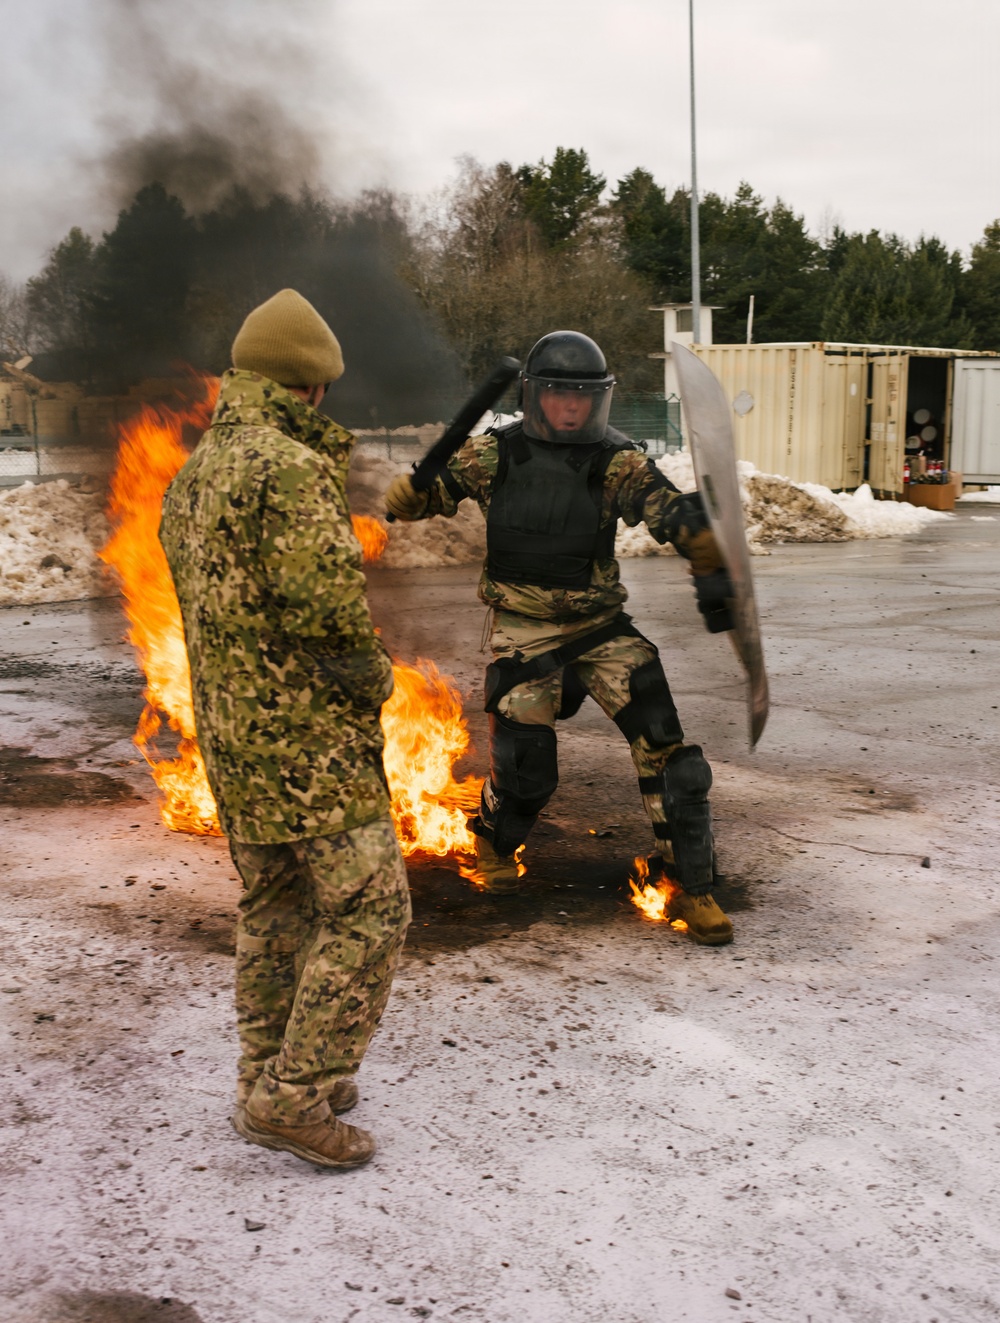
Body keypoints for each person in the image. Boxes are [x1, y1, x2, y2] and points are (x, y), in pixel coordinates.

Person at [160, 288, 410, 1169]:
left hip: (232, 742)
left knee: (274, 907)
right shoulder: (291, 469)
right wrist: (376, 679)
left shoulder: (194, 473)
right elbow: (329, 612)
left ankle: (264, 1074)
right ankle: (296, 1097)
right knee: (371, 908)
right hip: (309, 749)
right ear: (307, 386)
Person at [385, 329, 734, 945]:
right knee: (526, 771)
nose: (572, 407)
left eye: (583, 396)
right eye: (560, 395)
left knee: (670, 753)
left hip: (600, 627)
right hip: (523, 630)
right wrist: (410, 495)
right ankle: (493, 845)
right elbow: (432, 496)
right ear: (535, 396)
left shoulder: (617, 459)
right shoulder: (495, 454)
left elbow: (661, 504)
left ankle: (692, 886)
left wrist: (698, 539)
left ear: (598, 399)